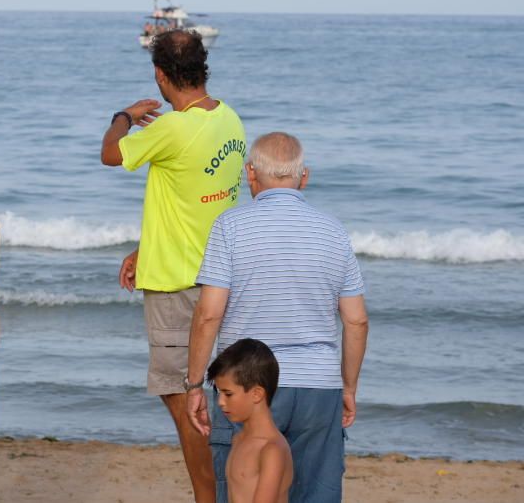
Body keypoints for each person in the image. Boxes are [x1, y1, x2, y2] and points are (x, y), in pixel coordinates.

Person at [101, 29, 246, 502]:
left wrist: (124, 116)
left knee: (188, 408)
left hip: (176, 289)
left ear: (161, 76)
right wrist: (146, 249)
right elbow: (197, 202)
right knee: (226, 401)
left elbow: (110, 154)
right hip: (222, 280)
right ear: (203, 68)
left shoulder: (168, 128)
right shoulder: (230, 120)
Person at [185, 132, 370, 503]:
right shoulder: (333, 231)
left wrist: (193, 385)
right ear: (304, 176)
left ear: (250, 173)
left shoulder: (230, 226)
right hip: (318, 385)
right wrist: (347, 386)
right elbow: (356, 321)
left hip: (248, 381)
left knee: (240, 489)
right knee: (315, 493)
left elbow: (208, 315)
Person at [208, 339, 292, 503]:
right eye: (219, 393)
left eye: (228, 394)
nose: (220, 402)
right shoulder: (239, 439)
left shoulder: (271, 450)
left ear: (256, 394)